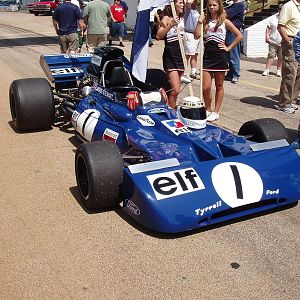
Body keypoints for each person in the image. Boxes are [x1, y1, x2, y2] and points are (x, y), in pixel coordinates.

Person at [194, 0, 243, 122]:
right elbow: (196, 35)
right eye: (210, 5)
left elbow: (239, 35)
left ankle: (216, 111)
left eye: (214, 5)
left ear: (219, 6)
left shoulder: (225, 21)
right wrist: (199, 22)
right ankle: (207, 109)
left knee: (219, 85)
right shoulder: (204, 21)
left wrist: (229, 47)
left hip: (220, 56)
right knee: (206, 87)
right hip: (208, 56)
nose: (212, 7)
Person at [156, 0, 185, 109]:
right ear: (173, 4)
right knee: (175, 89)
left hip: (182, 55)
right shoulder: (167, 18)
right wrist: (170, 25)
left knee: (176, 91)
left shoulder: (184, 19)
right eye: (180, 3)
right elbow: (158, 36)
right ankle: (171, 112)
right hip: (170, 55)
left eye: (183, 3)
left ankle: (170, 106)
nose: (182, 5)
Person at [277, 0, 300, 114]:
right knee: (290, 72)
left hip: (298, 41)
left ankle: (292, 101)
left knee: (298, 73)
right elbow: (280, 26)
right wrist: (289, 42)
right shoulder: (289, 6)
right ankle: (284, 103)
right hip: (291, 40)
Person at [225, 0, 245, 84]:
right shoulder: (233, 5)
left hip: (234, 32)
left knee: (233, 54)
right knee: (228, 55)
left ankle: (235, 75)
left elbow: (225, 15)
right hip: (229, 31)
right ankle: (230, 73)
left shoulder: (239, 5)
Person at [262, 5, 283, 77]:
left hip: (282, 41)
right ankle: (267, 70)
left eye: (282, 9)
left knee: (281, 57)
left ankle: (278, 71)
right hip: (273, 40)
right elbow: (268, 28)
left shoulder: (286, 18)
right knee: (271, 55)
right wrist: (267, 36)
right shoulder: (273, 18)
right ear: (278, 10)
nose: (281, 10)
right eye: (280, 9)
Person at [184, 0, 202, 80]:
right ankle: (183, 72)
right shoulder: (188, 9)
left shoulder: (197, 11)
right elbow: (188, 2)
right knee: (187, 54)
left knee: (195, 54)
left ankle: (193, 71)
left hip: (198, 35)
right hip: (190, 34)